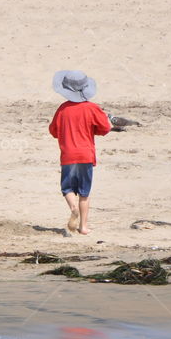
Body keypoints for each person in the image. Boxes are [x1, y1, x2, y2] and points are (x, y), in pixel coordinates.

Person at [49, 70, 111, 235]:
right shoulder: (92, 108)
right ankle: (83, 227)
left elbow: (53, 131)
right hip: (85, 155)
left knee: (67, 188)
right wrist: (92, 131)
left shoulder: (62, 109)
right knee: (84, 192)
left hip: (68, 155)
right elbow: (105, 128)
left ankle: (72, 207)